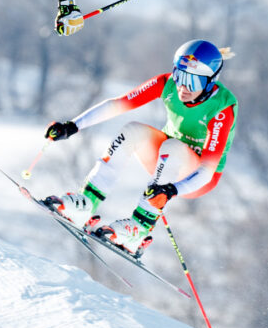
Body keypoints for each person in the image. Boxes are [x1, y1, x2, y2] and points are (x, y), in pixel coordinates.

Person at [41, 39, 238, 256]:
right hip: (166, 159)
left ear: (211, 82)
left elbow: (207, 171)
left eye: (193, 82)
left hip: (196, 177)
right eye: (180, 76)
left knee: (173, 147)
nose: (183, 87)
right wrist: (73, 126)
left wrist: (172, 190)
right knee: (132, 130)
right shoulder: (167, 83)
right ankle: (87, 202)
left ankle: (139, 229)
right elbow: (119, 103)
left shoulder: (222, 108)